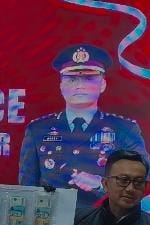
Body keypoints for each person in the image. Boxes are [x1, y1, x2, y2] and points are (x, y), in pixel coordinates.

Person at [18, 44, 147, 208]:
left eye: (89, 78)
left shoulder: (124, 129)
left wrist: (101, 184)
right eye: (72, 79)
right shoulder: (37, 130)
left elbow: (142, 181)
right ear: (61, 85)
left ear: (103, 85)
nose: (79, 85)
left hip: (104, 220)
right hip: (52, 219)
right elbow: (27, 188)